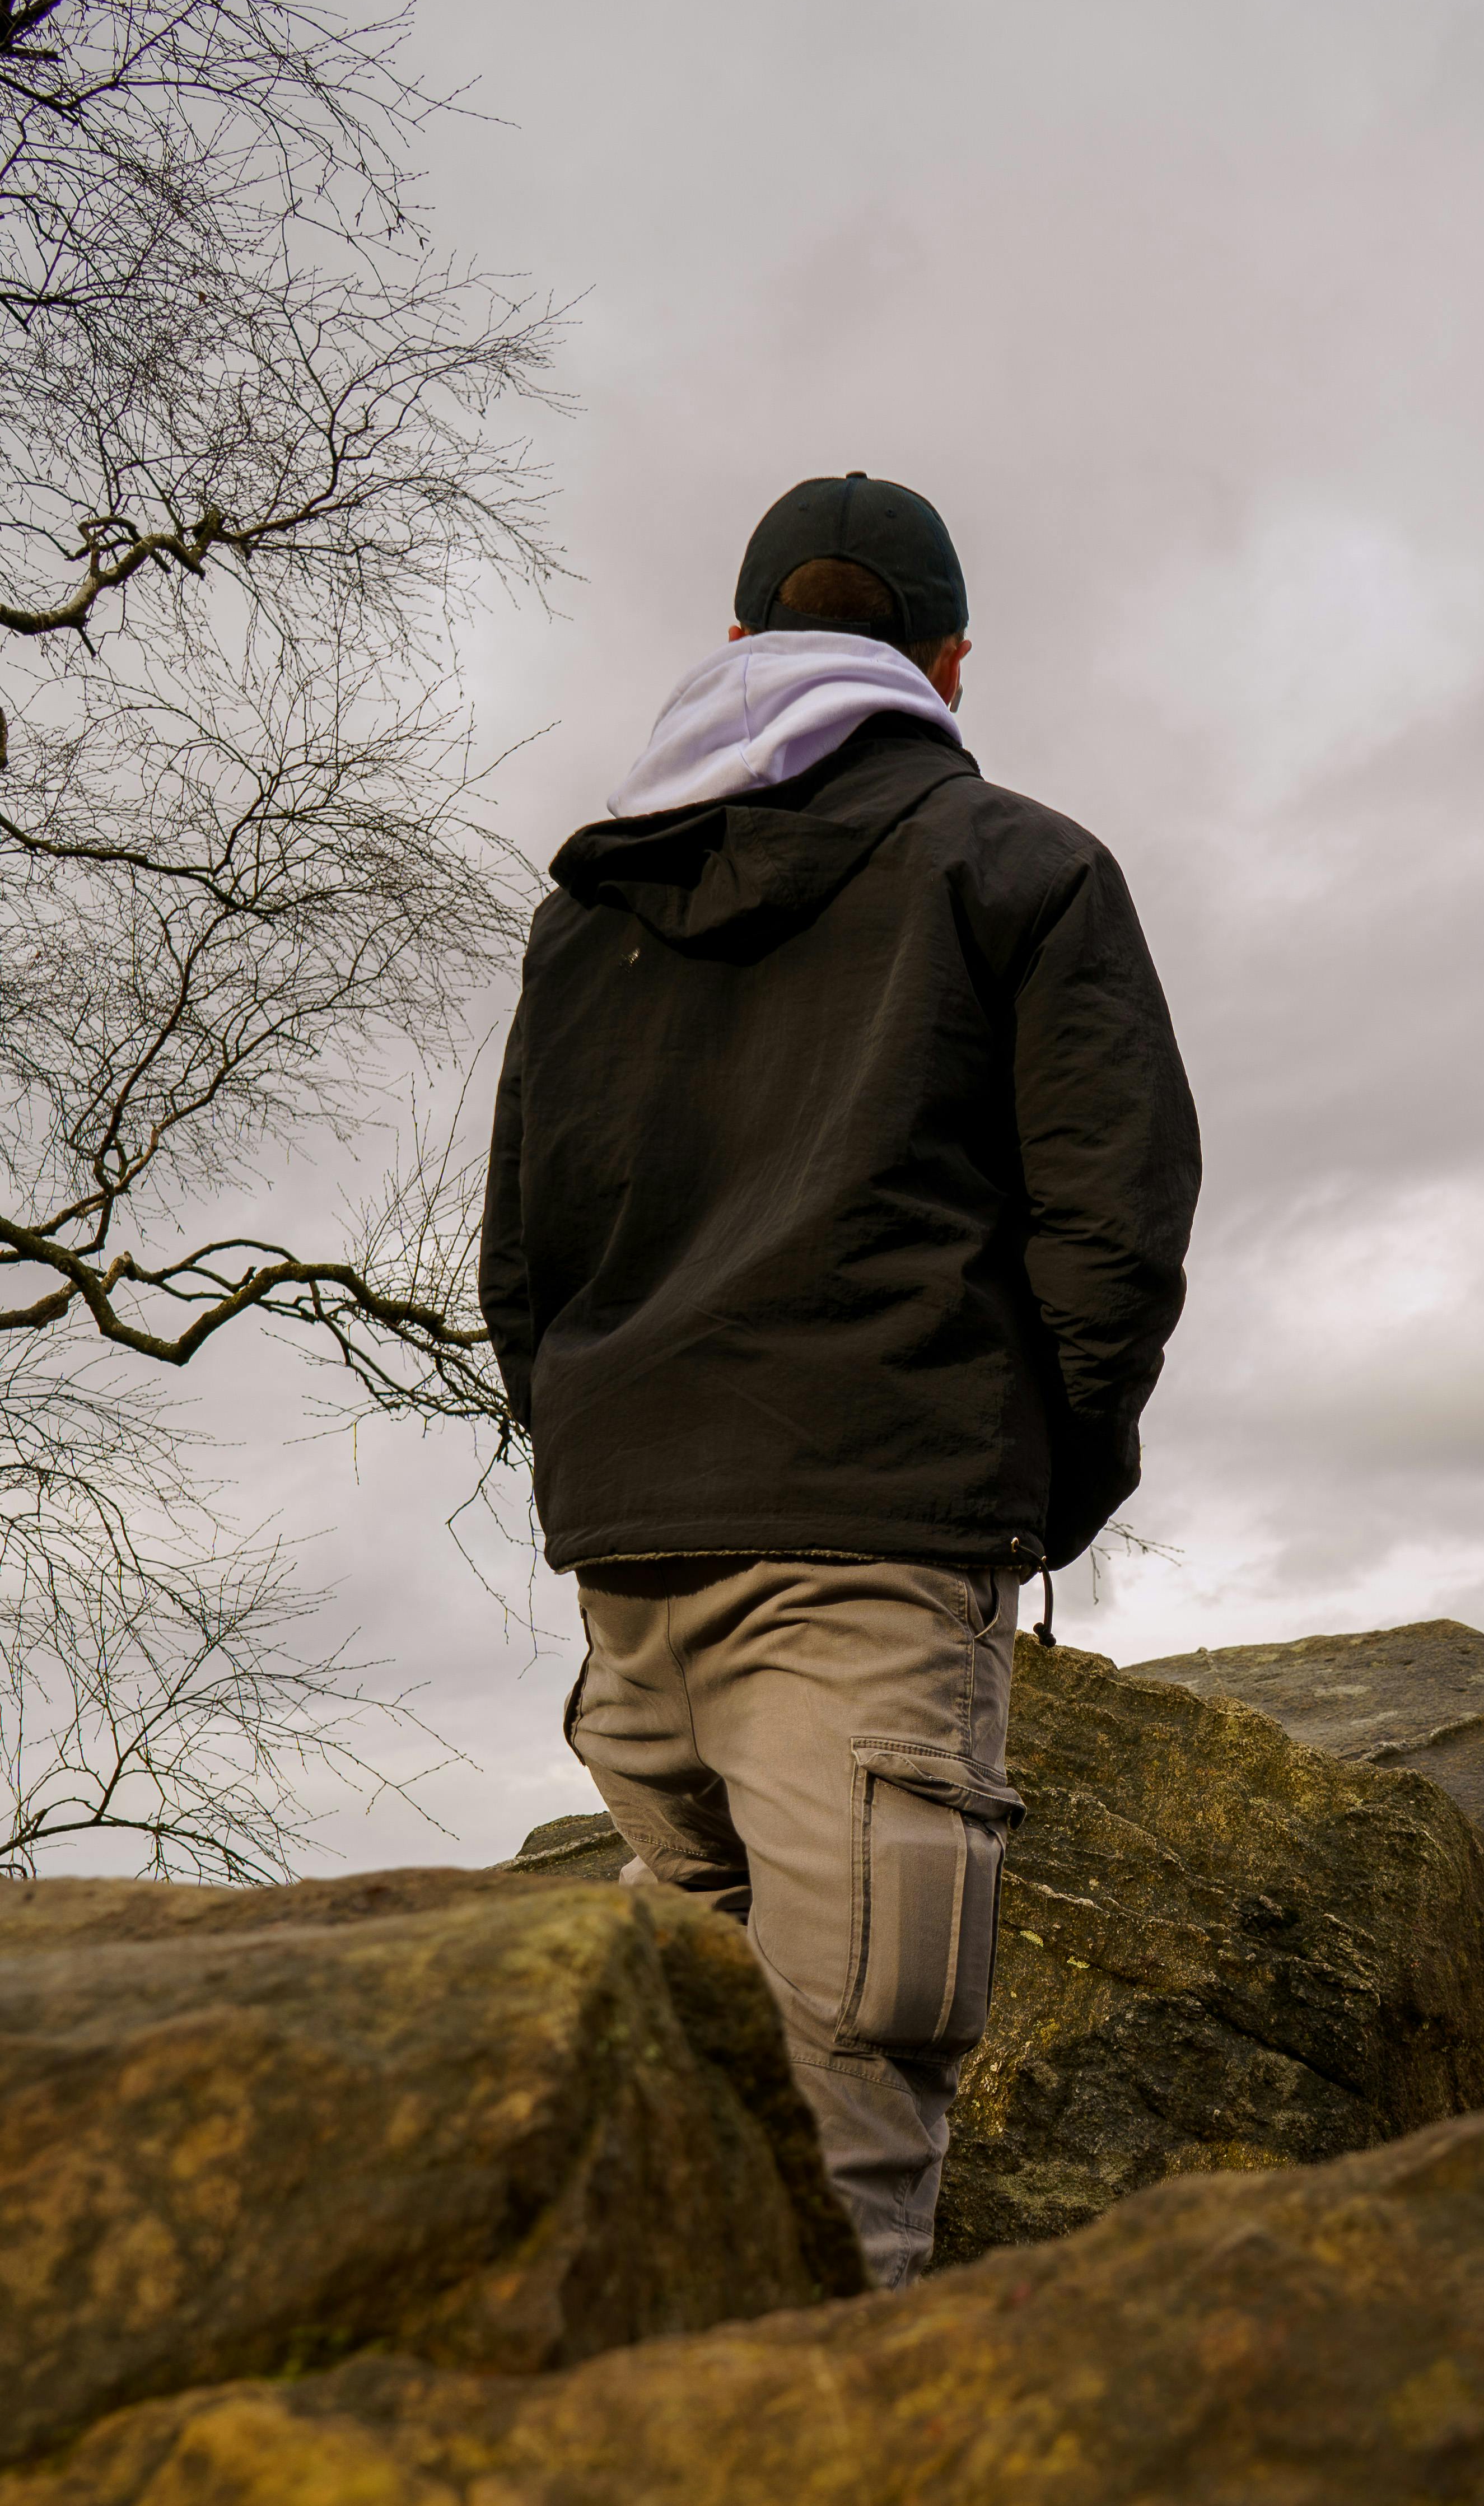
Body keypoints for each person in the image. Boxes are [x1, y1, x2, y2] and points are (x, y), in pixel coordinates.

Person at [479, 473, 1200, 2288]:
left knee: (683, 2147)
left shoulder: (589, 913)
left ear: (739, 640)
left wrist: (603, 1460)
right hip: (871, 1563)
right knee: (847, 2184)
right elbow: (1110, 1233)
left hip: (628, 1585)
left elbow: (521, 1258)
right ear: (947, 664)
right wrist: (1021, 1489)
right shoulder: (1020, 866)